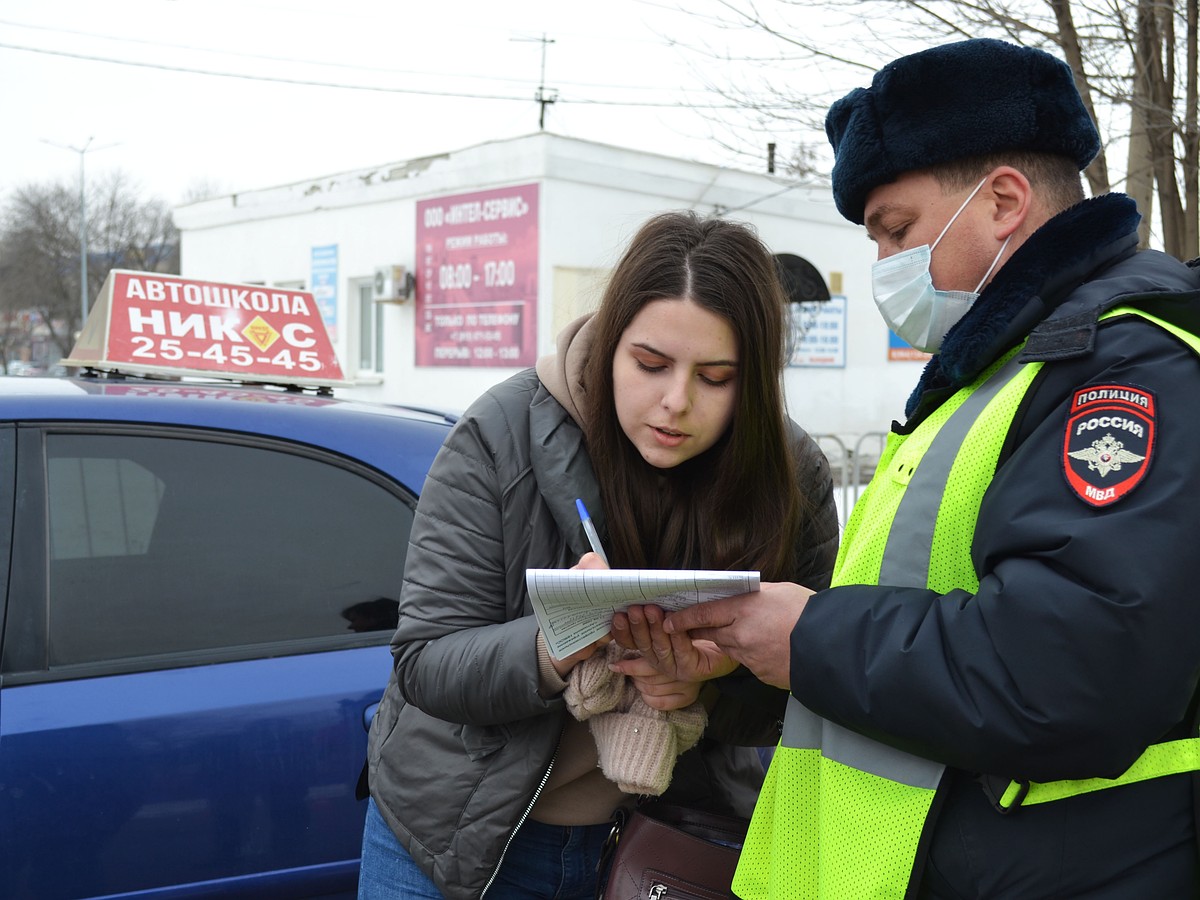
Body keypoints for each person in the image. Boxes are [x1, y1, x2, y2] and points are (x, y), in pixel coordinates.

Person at [657, 37, 1200, 899]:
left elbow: (1070, 670)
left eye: (898, 231)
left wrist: (806, 636)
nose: (885, 270)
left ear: (1004, 201)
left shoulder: (1127, 372)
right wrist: (754, 648)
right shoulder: (997, 375)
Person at [357, 210, 840, 899]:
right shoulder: (502, 431)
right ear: (612, 343)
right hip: (450, 840)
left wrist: (706, 685)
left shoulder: (791, 472)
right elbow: (426, 662)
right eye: (650, 365)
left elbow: (814, 680)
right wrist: (555, 645)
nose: (675, 402)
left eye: (716, 376)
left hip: (658, 844)